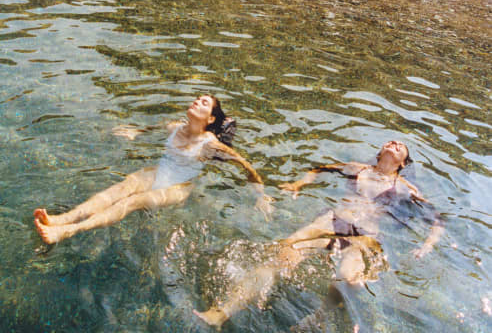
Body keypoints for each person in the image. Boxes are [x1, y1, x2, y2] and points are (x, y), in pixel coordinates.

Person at [195, 140, 444, 328]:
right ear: (380, 152)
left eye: (400, 146)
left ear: (402, 162)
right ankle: (222, 312)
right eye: (390, 142)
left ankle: (317, 320)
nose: (394, 144)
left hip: (364, 235)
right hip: (333, 220)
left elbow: (437, 219)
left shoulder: (404, 187)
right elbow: (319, 169)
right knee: (281, 255)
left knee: (348, 278)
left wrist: (428, 245)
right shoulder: (357, 168)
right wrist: (299, 184)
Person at [34, 95, 272, 244]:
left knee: (132, 201)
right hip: (159, 171)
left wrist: (261, 195)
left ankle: (69, 231)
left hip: (180, 185)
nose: (197, 101)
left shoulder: (210, 143)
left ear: (210, 119)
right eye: (197, 98)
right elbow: (154, 127)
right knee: (119, 189)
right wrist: (136, 131)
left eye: (204, 102)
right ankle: (61, 219)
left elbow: (246, 165)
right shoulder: (174, 127)